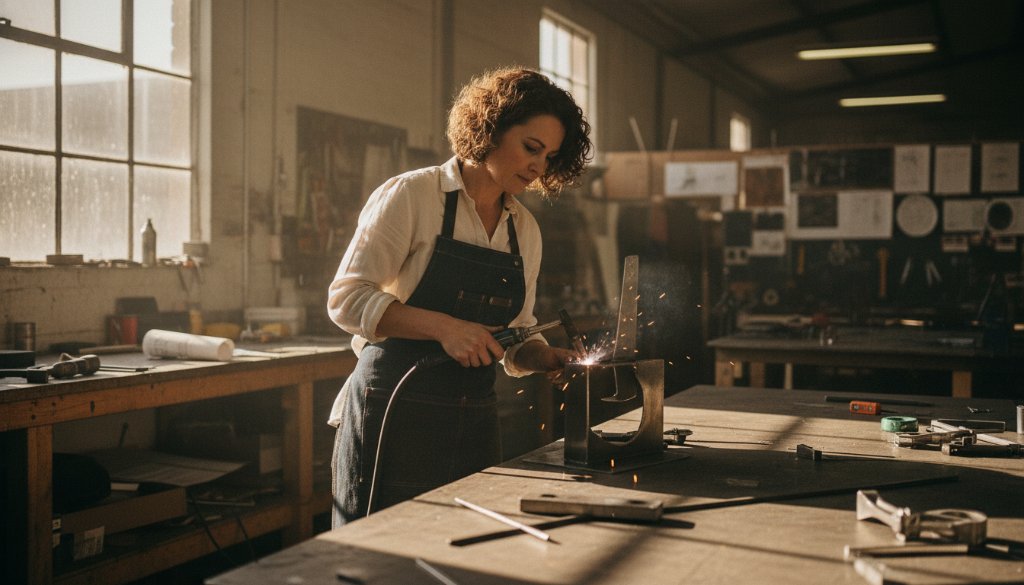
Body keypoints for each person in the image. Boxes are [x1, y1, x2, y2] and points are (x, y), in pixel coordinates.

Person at [326, 67, 592, 526]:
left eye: (549, 157)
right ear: (489, 128)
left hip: (474, 415)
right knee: (378, 558)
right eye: (532, 148)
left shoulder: (523, 229)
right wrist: (444, 329)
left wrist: (544, 357)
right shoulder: (413, 195)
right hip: (394, 407)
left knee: (465, 549)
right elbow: (346, 299)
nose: (538, 166)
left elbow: (515, 339)